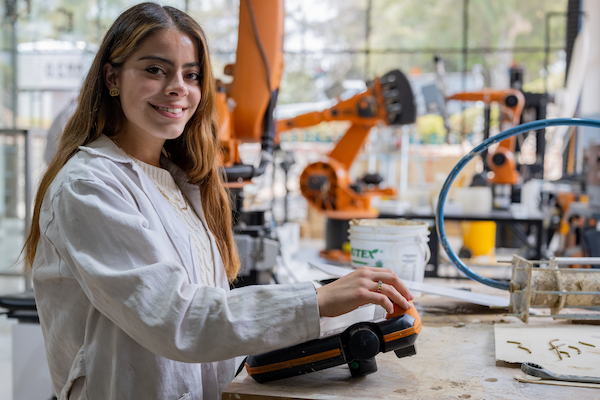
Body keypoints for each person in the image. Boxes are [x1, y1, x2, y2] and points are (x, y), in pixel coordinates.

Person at [23, 3, 414, 399]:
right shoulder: (88, 186)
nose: (178, 87)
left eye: (191, 74)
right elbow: (177, 318)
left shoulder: (180, 182)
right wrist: (315, 300)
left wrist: (353, 311)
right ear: (112, 77)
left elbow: (215, 328)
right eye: (155, 69)